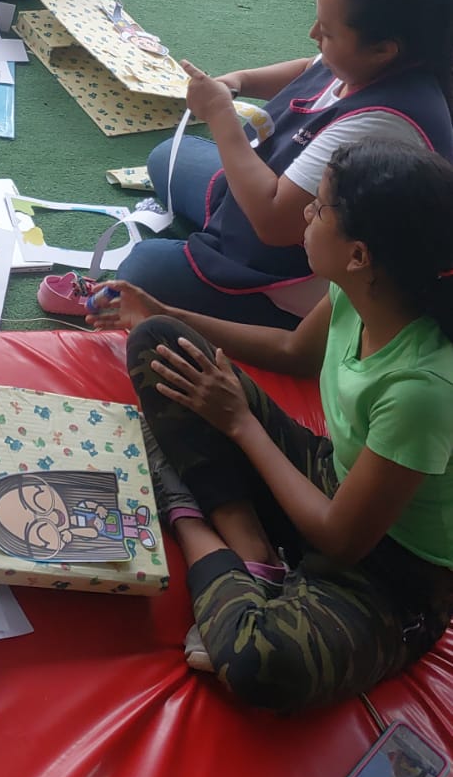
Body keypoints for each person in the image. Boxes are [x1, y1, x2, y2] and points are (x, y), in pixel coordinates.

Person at [89, 141, 453, 713]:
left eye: (319, 207)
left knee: (261, 662)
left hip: (393, 574)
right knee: (160, 343)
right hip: (330, 479)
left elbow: (342, 539)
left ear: (359, 254)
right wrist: (163, 311)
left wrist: (240, 423)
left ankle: (188, 516)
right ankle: (249, 545)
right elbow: (291, 351)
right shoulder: (359, 291)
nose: (305, 211)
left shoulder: (422, 390)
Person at [121, 0, 453, 327]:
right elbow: (310, 69)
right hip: (277, 207)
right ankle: (217, 239)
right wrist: (240, 81)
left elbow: (273, 222)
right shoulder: (368, 61)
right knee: (166, 157)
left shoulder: (387, 122)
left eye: (327, 32)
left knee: (140, 271)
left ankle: (237, 285)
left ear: (382, 50)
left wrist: (220, 114)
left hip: (297, 279)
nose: (313, 35)